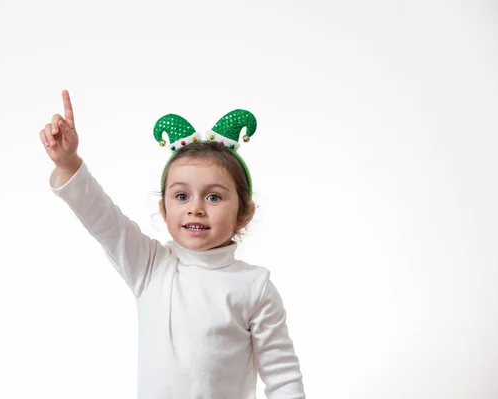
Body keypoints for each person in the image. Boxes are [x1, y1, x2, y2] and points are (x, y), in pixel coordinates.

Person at [39, 90, 306, 398]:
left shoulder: (254, 286)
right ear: (164, 210)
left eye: (214, 196)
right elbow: (102, 218)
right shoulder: (150, 266)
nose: (196, 208)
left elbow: (282, 374)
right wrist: (68, 164)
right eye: (181, 196)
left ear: (244, 213)